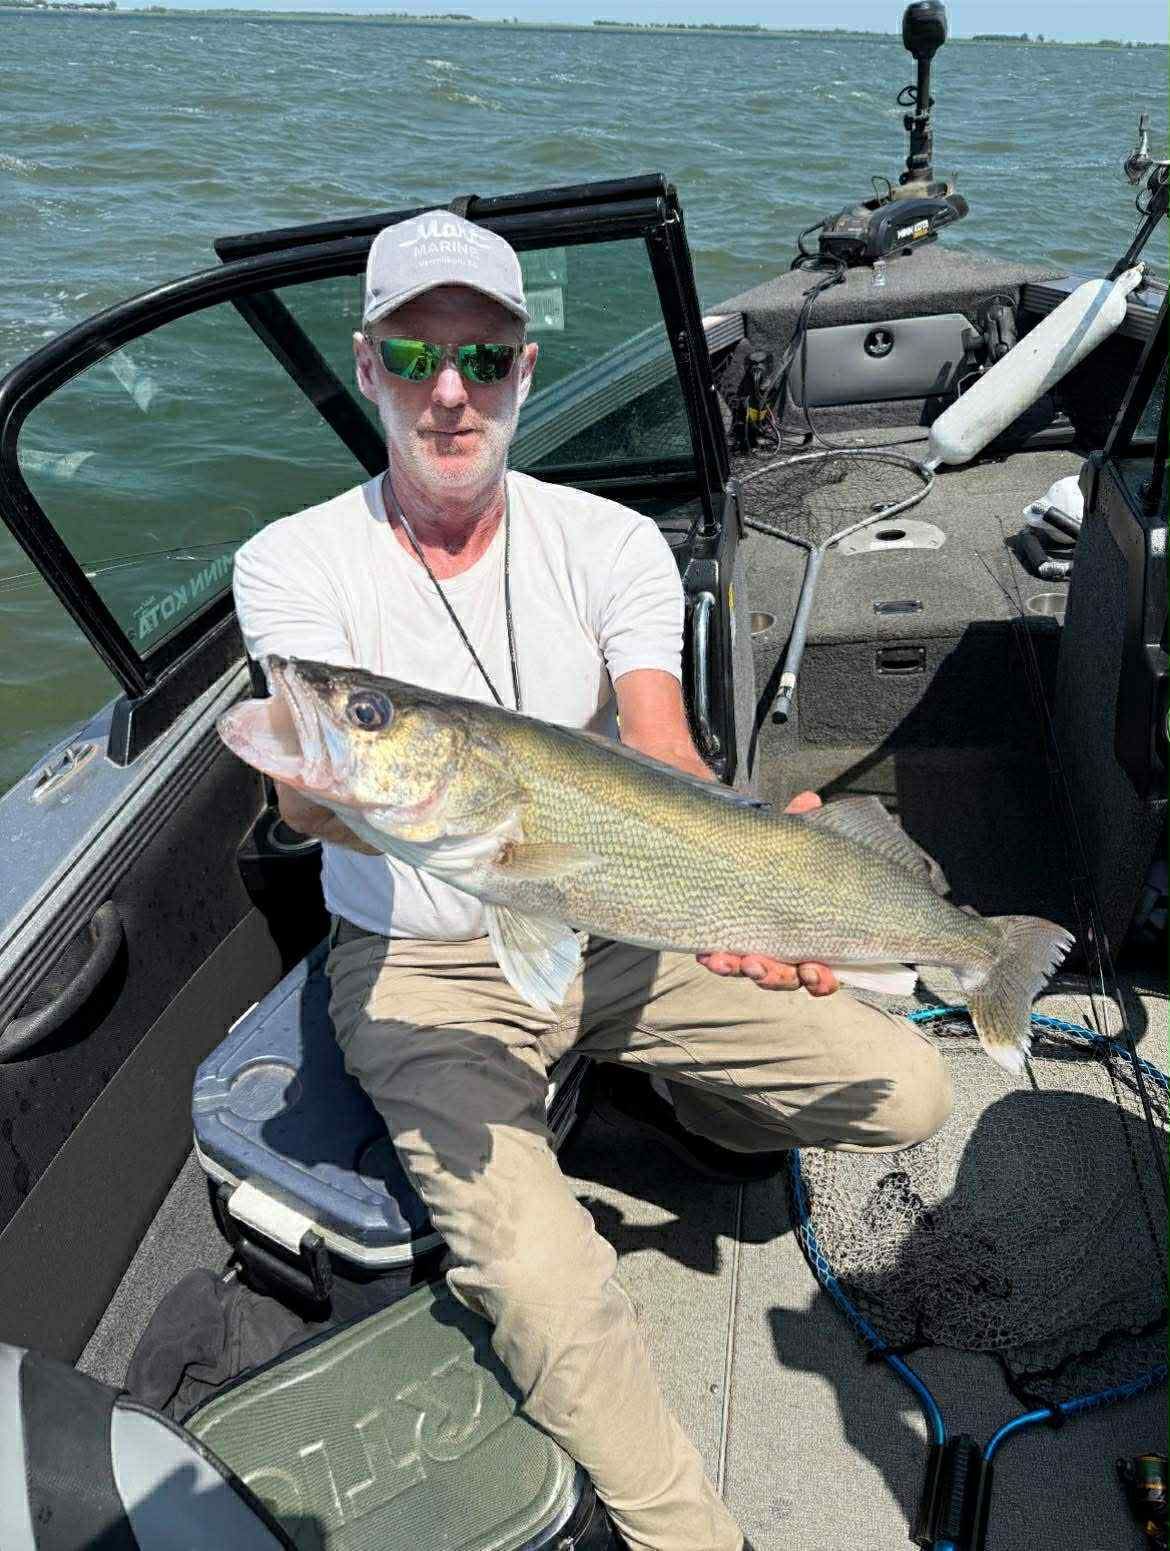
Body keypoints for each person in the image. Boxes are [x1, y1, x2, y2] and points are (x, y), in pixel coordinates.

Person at [231, 209, 952, 1551]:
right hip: (422, 973)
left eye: (484, 360)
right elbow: (299, 794)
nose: (450, 393)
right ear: (366, 367)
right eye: (412, 354)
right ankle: (693, 1537)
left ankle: (693, 1112)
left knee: (906, 1088)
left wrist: (752, 869)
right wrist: (332, 772)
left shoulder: (606, 541)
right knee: (548, 1285)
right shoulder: (291, 563)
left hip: (615, 925)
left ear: (523, 365)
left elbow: (661, 751)